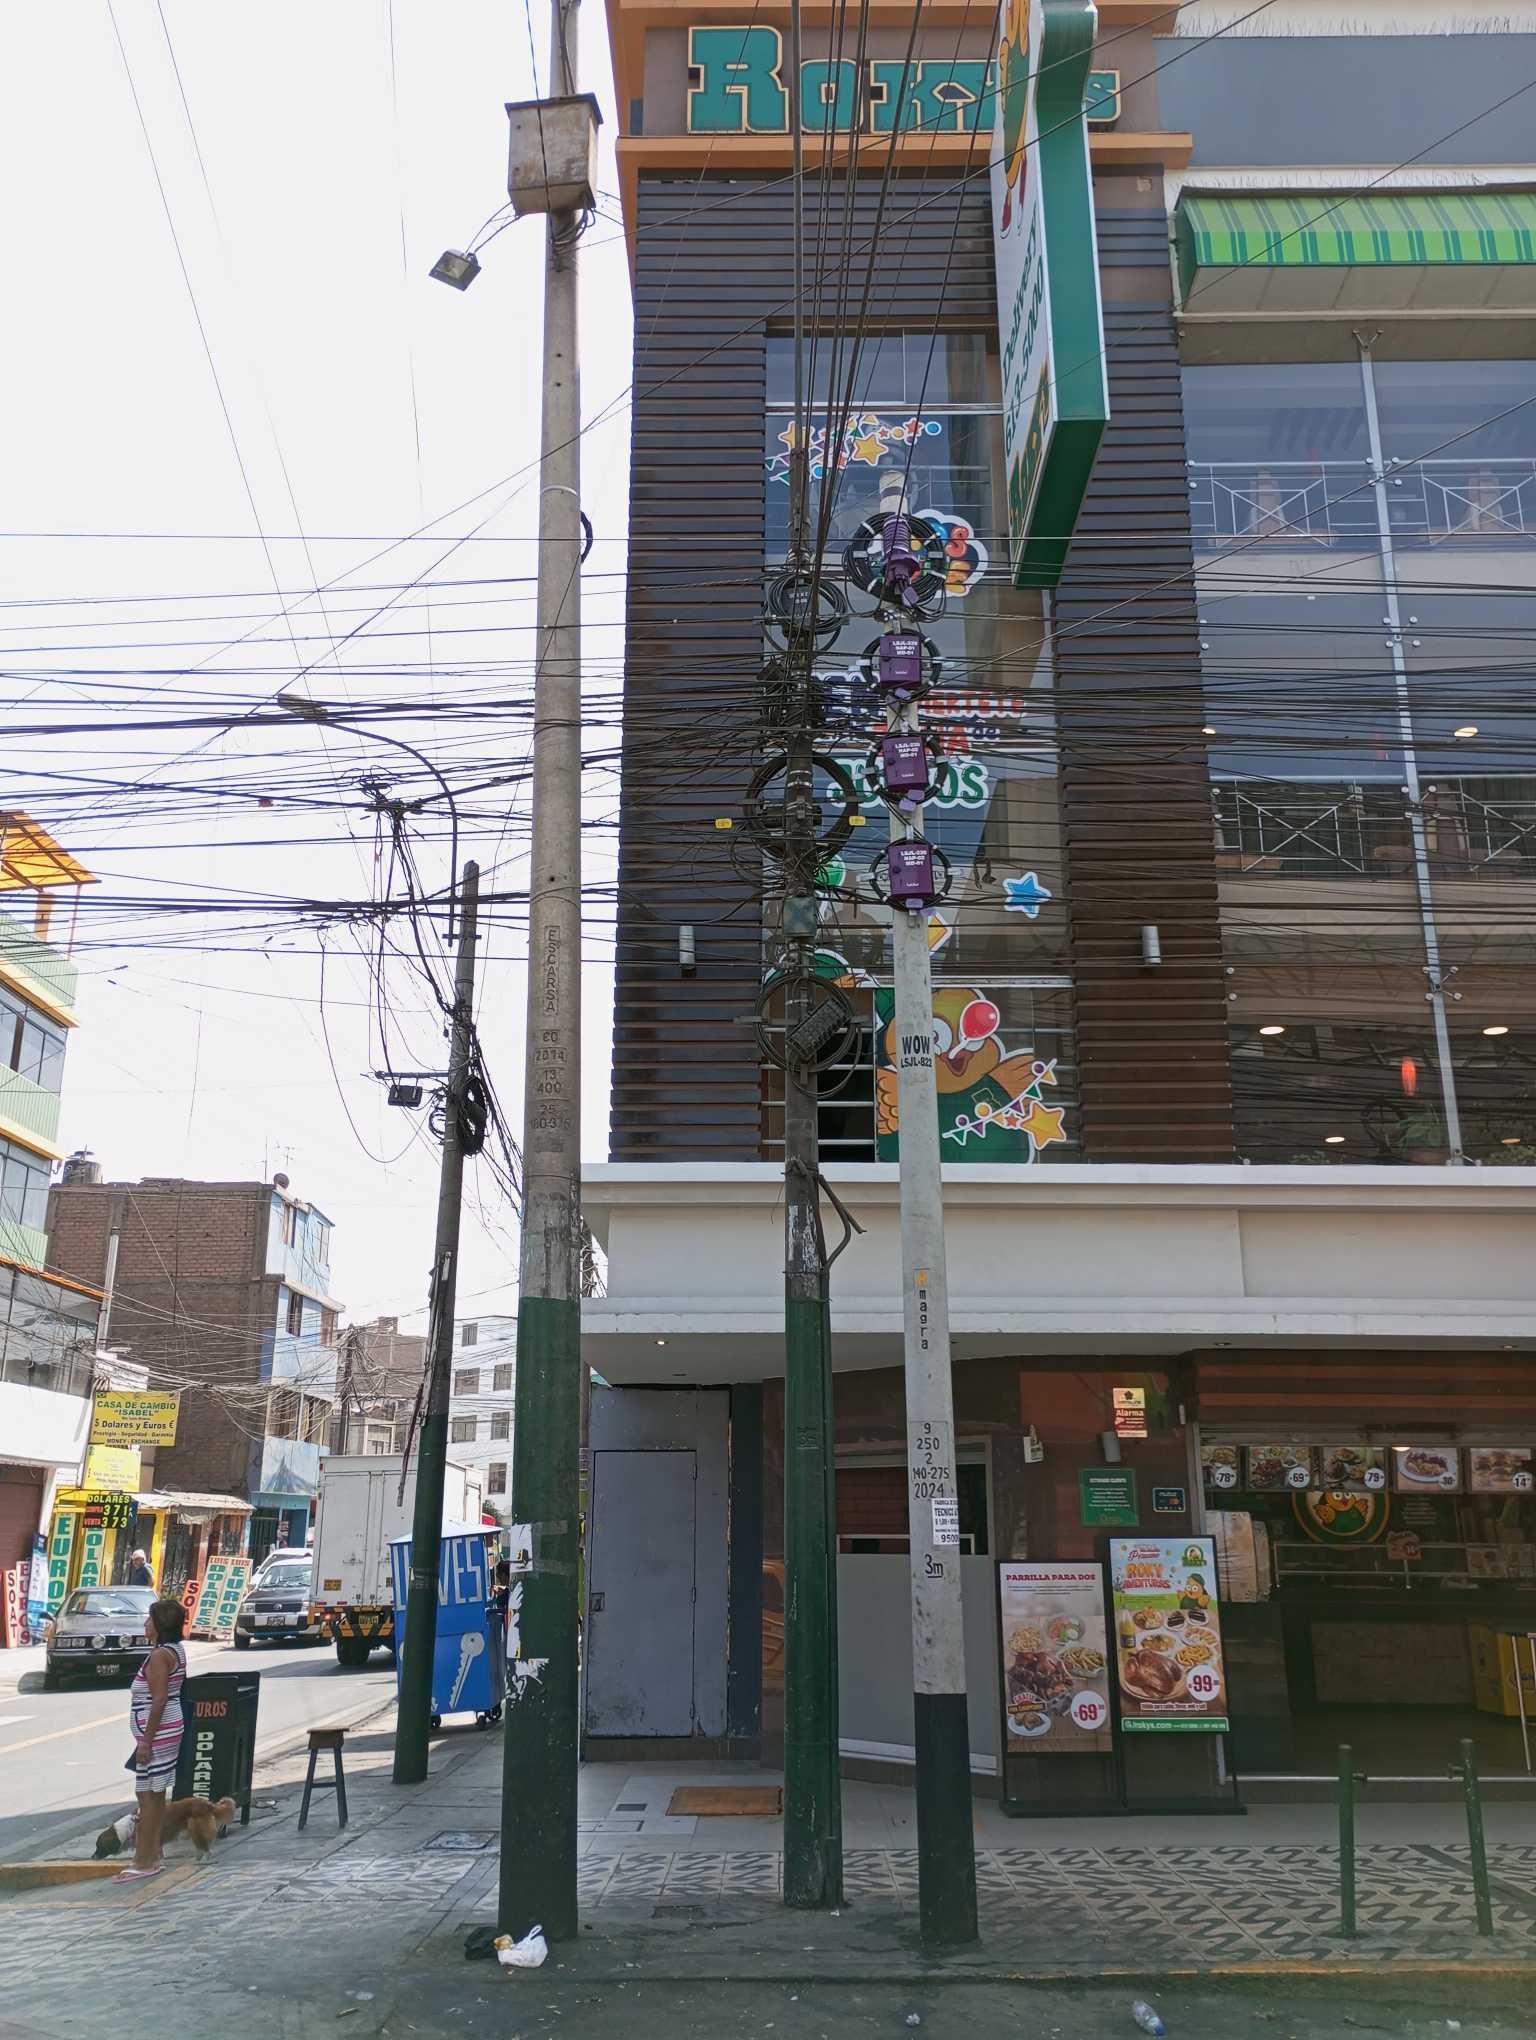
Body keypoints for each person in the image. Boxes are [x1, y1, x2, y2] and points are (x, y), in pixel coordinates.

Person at [117, 1597, 188, 1882]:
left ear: (159, 1625)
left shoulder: (160, 1656)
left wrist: (146, 1741)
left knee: (150, 1797)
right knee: (148, 1793)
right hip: (163, 1730)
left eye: (149, 1619)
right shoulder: (172, 1650)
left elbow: (159, 1699)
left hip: (159, 1733)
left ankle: (144, 1860)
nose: (145, 1623)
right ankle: (153, 1853)